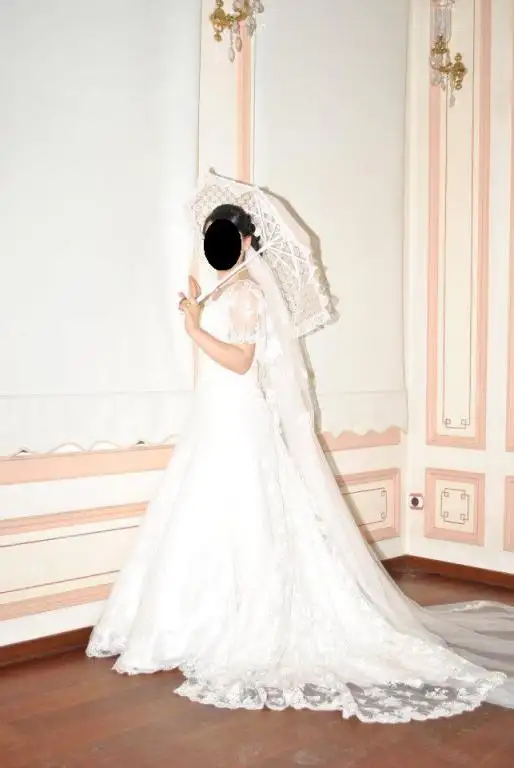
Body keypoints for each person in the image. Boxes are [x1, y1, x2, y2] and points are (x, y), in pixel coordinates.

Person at [87, 205, 514, 723]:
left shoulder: (248, 294)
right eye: (211, 236)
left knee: (246, 517)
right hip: (213, 416)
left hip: (239, 420)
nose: (217, 244)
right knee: (203, 515)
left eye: (225, 236)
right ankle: (189, 623)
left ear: (247, 241)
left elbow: (242, 362)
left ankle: (238, 626)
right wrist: (196, 310)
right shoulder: (222, 292)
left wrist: (195, 329)